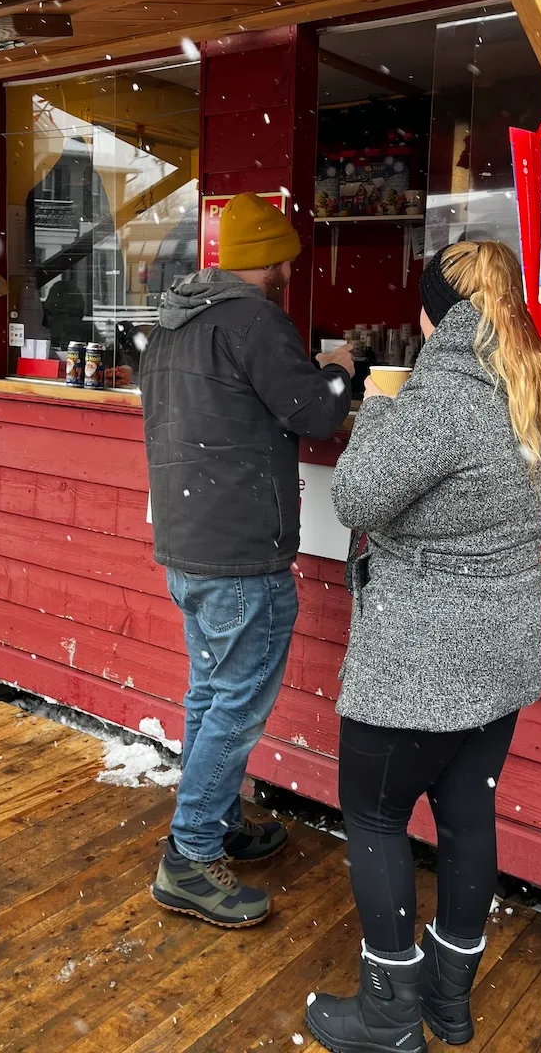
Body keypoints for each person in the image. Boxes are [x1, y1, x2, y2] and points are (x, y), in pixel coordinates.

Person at [306, 241, 541, 1053]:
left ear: (441, 313)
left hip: (424, 651)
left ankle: (389, 1015)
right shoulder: (537, 385)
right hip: (502, 643)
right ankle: (448, 1000)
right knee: (465, 815)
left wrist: (382, 401)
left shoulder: (446, 393)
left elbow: (356, 495)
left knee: (378, 816)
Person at [140, 192, 354, 929]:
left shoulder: (175, 322)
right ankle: (190, 859)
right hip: (239, 553)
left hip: (187, 543)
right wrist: (338, 368)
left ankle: (217, 821)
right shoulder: (256, 320)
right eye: (288, 255)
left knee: (210, 694)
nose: (294, 267)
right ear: (268, 259)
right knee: (233, 705)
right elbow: (317, 414)